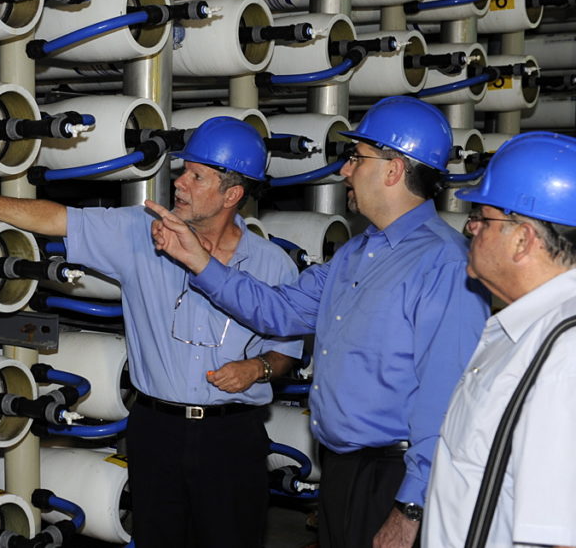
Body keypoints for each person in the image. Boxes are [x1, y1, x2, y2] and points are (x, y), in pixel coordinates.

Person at [0, 116, 302, 548]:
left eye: (196, 175)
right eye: (183, 170)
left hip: (232, 434)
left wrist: (258, 367)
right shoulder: (138, 232)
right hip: (158, 430)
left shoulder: (272, 265)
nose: (180, 183)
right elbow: (55, 219)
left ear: (233, 194)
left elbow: (286, 351)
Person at [145, 97, 490, 548]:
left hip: (395, 478)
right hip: (344, 470)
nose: (345, 171)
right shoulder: (356, 253)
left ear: (393, 169)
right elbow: (277, 309)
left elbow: (446, 403)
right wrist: (199, 260)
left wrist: (411, 509)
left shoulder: (442, 264)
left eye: (357, 158)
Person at [423, 132, 576, 548]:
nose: (470, 228)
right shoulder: (524, 329)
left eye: (482, 218)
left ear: (524, 238)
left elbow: (557, 536)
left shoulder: (565, 358)